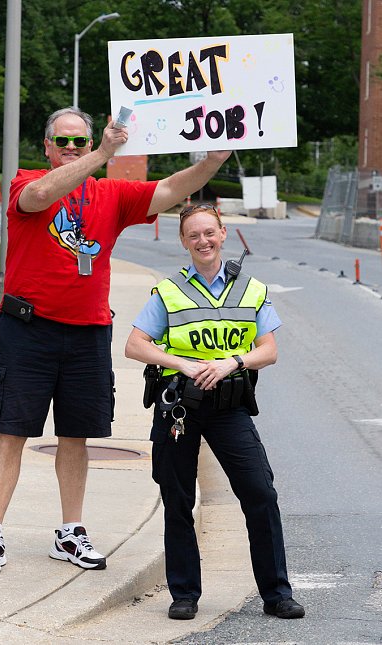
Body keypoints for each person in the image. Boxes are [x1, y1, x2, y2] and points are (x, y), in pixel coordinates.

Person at [0, 107, 231, 575]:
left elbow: (169, 190)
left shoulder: (110, 194)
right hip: (28, 330)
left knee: (77, 435)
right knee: (11, 430)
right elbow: (38, 196)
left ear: (89, 144)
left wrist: (211, 163)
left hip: (88, 331)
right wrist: (104, 154)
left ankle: (70, 532)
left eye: (80, 142)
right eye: (63, 142)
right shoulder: (27, 181)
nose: (72, 148)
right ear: (47, 147)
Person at [125, 203, 305, 621]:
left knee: (260, 493)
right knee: (178, 499)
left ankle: (277, 594)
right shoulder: (168, 291)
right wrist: (183, 364)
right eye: (193, 235)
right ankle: (184, 594)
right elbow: (135, 345)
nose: (203, 241)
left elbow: (269, 351)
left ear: (223, 234)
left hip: (229, 406)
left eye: (210, 233)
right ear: (183, 241)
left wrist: (232, 362)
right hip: (179, 408)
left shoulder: (252, 289)